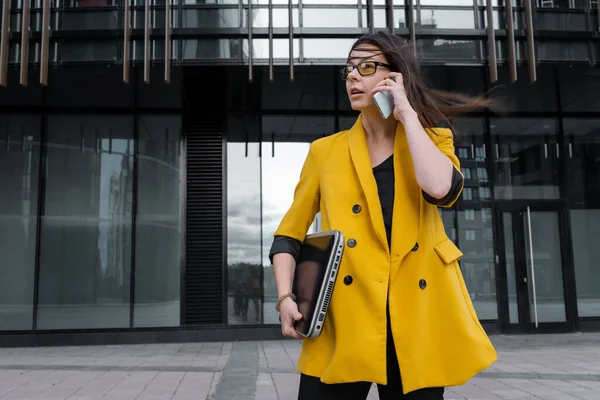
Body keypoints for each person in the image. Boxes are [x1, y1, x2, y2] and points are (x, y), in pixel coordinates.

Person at [268, 31, 498, 400]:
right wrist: (284, 298)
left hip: (416, 314)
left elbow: (442, 190)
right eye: (348, 70)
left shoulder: (432, 139)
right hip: (345, 315)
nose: (353, 77)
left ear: (395, 78)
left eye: (367, 66)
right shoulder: (324, 152)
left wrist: (407, 114)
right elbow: (288, 236)